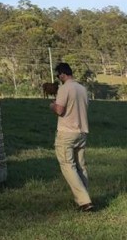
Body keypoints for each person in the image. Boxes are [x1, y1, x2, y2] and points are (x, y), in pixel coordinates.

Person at [50, 61, 93, 212]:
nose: (58, 78)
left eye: (58, 75)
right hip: (82, 132)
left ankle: (84, 201)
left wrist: (52, 105)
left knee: (68, 165)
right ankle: (86, 196)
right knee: (81, 166)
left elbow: (60, 110)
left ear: (62, 74)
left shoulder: (64, 88)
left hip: (67, 132)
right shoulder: (82, 89)